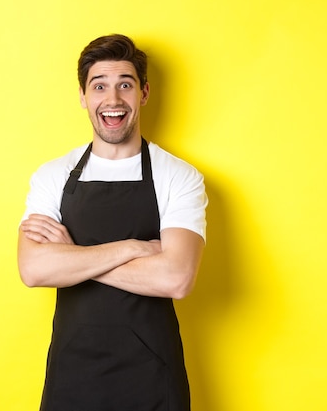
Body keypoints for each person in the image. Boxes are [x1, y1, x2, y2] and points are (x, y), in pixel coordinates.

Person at [18, 34, 207, 411]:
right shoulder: (53, 175)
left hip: (152, 373)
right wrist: (134, 248)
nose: (113, 99)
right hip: (73, 372)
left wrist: (73, 258)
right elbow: (34, 269)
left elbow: (177, 279)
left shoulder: (179, 176)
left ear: (144, 93)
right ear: (83, 97)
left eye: (125, 85)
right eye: (99, 86)